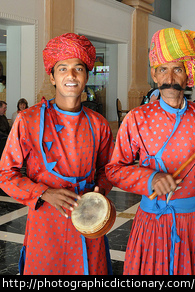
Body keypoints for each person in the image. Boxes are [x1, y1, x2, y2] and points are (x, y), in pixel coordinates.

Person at [106, 28, 195, 275]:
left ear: (188, 75)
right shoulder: (136, 119)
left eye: (177, 69)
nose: (169, 77)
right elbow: (114, 171)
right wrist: (150, 178)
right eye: (162, 69)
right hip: (151, 223)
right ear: (154, 76)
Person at [0, 33, 114, 275]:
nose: (71, 75)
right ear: (52, 77)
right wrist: (42, 192)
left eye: (78, 69)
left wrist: (98, 194)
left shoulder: (98, 123)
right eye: (62, 68)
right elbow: (5, 175)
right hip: (45, 223)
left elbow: (107, 169)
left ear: (86, 77)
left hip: (88, 225)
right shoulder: (28, 120)